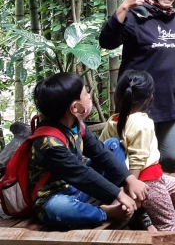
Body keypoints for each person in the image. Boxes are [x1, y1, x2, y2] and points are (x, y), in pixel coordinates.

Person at [28, 72, 147, 228]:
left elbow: (100, 153)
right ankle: (106, 211)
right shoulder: (48, 143)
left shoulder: (77, 125)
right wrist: (119, 195)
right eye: (85, 93)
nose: (90, 96)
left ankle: (114, 201)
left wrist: (130, 180)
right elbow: (81, 174)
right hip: (55, 195)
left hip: (78, 188)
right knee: (58, 210)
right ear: (75, 107)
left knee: (113, 145)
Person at [98, 0, 175, 171]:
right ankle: (136, 200)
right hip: (137, 102)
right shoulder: (135, 16)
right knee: (136, 158)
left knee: (170, 156)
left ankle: (157, 195)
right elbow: (107, 41)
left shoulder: (174, 19)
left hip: (169, 100)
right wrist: (124, 8)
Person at [100, 70, 175, 232]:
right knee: (167, 221)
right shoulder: (142, 123)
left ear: (118, 96)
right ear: (150, 98)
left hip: (145, 177)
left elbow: (102, 149)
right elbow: (138, 159)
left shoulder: (113, 121)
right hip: (146, 181)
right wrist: (132, 191)